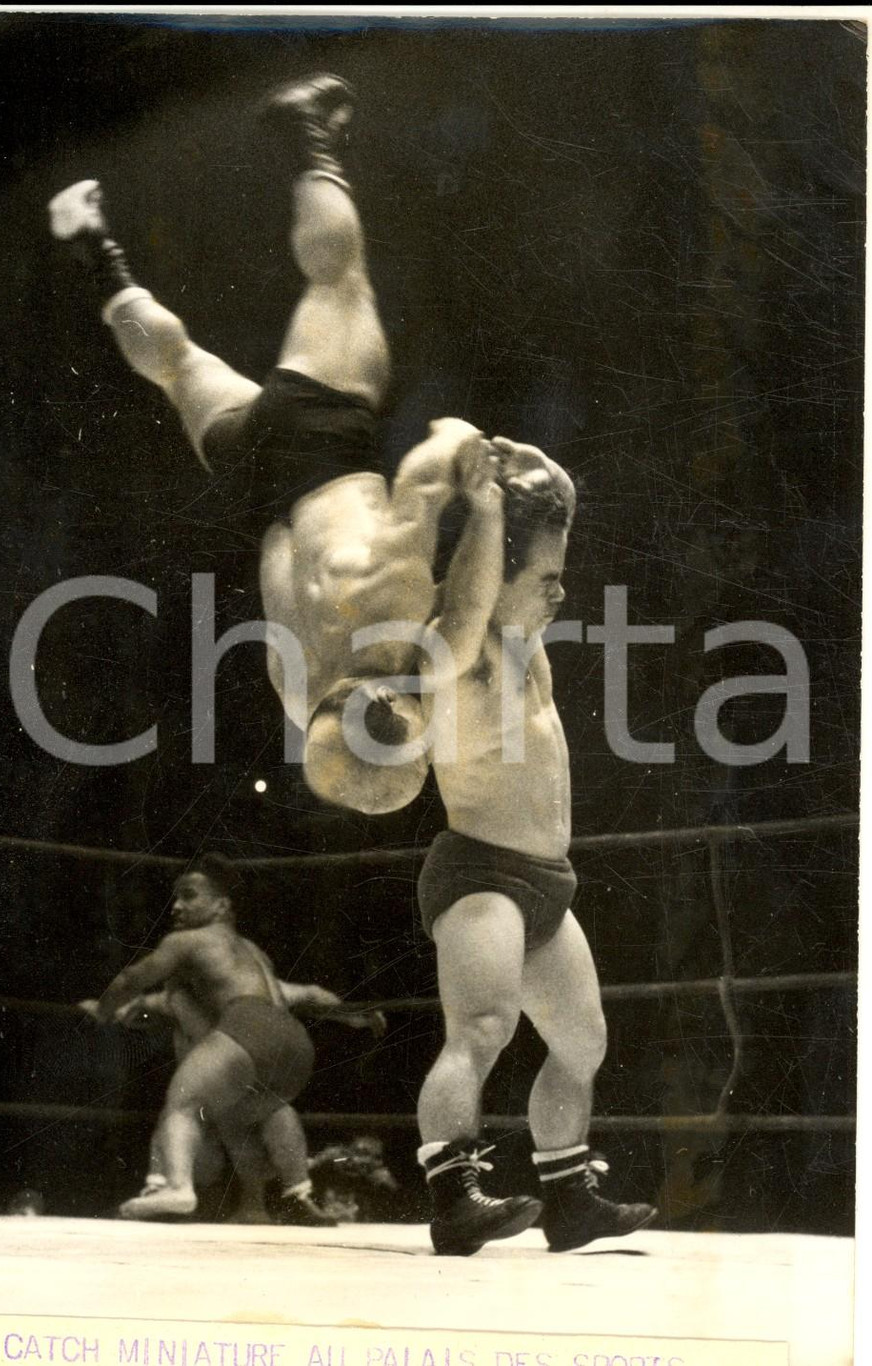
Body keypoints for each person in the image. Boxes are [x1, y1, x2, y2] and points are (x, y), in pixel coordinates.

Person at [48, 73, 497, 816]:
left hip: (321, 449)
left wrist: (460, 447)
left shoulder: (389, 611)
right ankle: (90, 244)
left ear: (391, 709)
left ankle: (306, 131)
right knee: (178, 367)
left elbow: (422, 481)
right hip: (249, 483)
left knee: (341, 280)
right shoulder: (299, 696)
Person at [414, 441, 657, 1256]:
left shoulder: (525, 645)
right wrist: (487, 511)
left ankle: (568, 1197)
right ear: (496, 580)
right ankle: (453, 1198)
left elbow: (555, 518)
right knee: (481, 1028)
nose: (561, 592)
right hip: (480, 872)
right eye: (545, 580)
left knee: (583, 1040)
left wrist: (539, 474)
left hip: (545, 878)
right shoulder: (457, 654)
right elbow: (469, 600)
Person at [80, 853, 384, 1221]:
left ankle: (174, 1187)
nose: (176, 907)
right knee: (265, 1112)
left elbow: (132, 979)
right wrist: (355, 1015)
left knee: (181, 1104)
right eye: (176, 898)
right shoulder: (252, 955)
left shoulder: (187, 942)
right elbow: (311, 994)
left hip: (248, 1029)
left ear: (222, 905)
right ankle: (296, 1197)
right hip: (294, 1045)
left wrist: (104, 1010)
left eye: (189, 896)